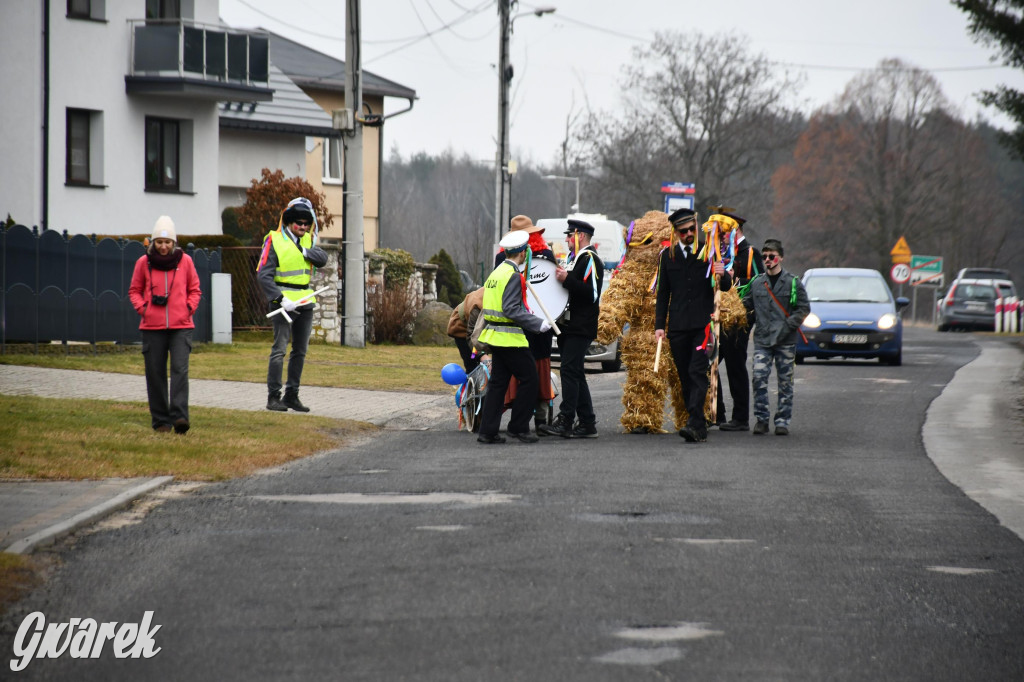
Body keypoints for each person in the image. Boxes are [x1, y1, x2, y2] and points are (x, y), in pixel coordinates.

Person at [654, 208, 732, 443]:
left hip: (702, 325)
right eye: (683, 231)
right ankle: (697, 420)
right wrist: (659, 326)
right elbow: (663, 293)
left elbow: (725, 285)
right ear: (675, 232)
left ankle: (696, 423)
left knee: (697, 372)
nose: (688, 234)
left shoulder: (709, 251)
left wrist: (723, 273)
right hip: (677, 326)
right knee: (685, 377)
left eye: (691, 229)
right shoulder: (667, 256)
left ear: (696, 227)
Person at [476, 231, 551, 444]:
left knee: (498, 384)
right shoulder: (513, 275)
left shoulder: (496, 273)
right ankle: (518, 427)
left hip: (494, 336)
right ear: (523, 253)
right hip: (510, 339)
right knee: (530, 380)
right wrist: (538, 323)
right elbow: (510, 309)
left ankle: (487, 431)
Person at [128, 216, 202, 434]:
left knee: (180, 370)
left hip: (181, 326)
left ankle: (180, 417)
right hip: (152, 327)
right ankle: (160, 420)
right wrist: (144, 309)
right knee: (155, 372)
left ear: (174, 243)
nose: (163, 246)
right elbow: (134, 291)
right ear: (153, 243)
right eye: (159, 242)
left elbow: (195, 289)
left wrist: (188, 308)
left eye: (167, 242)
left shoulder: (186, 261)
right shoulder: (143, 263)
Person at [257, 197, 328, 412]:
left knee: (300, 351)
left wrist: (305, 251)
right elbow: (263, 275)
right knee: (279, 350)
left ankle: (292, 395)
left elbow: (322, 258)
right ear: (289, 221)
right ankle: (273, 397)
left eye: (307, 224)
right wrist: (280, 300)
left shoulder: (308, 240)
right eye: (299, 223)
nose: (304, 227)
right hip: (283, 304)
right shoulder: (274, 239)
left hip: (305, 302)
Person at [539, 218, 605, 438]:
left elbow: (591, 294)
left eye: (570, 235)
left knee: (568, 371)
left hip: (581, 326)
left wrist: (567, 279)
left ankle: (566, 420)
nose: (566, 239)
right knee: (576, 374)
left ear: (581, 236)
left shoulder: (590, 259)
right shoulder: (575, 258)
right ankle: (587, 423)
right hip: (570, 326)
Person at [741, 238, 810, 436]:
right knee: (758, 378)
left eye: (772, 256)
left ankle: (782, 420)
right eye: (764, 257)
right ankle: (761, 419)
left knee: (785, 382)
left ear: (780, 257)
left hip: (785, 340)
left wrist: (788, 326)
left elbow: (804, 308)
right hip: (763, 339)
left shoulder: (792, 283)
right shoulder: (757, 283)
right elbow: (746, 306)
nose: (768, 260)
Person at [496, 215, 558, 433]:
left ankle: (540, 421)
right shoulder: (503, 260)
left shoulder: (547, 256)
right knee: (521, 374)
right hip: (516, 326)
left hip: (538, 325)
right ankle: (519, 420)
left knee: (539, 373)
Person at [716, 211, 761, 432]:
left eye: (724, 232)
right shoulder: (718, 252)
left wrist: (734, 277)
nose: (721, 236)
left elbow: (759, 283)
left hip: (738, 319)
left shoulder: (750, 252)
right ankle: (718, 412)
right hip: (717, 317)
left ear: (736, 230)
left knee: (735, 367)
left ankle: (741, 418)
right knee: (708, 364)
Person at [446, 286, 485, 374]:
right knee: (472, 364)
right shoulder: (477, 304)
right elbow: (472, 336)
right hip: (462, 329)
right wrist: (482, 355)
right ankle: (471, 384)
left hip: (479, 330)